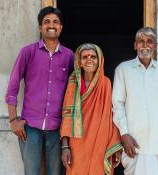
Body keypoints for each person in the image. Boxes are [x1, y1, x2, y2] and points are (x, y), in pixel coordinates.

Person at [5, 6, 74, 175]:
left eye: (56, 22)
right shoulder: (27, 52)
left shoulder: (70, 56)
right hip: (30, 127)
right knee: (31, 172)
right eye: (47, 22)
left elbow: (75, 92)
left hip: (57, 128)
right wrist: (13, 119)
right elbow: (12, 88)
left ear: (61, 27)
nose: (51, 25)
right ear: (40, 27)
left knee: (55, 172)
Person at [112, 27, 158, 175]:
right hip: (134, 143)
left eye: (149, 41)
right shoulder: (123, 70)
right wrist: (124, 134)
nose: (145, 45)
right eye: (141, 41)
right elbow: (117, 105)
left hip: (157, 143)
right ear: (135, 45)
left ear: (155, 46)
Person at [60, 43, 122, 175]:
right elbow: (67, 116)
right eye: (85, 57)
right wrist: (65, 146)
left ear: (99, 61)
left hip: (101, 141)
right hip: (77, 143)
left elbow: (112, 115)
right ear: (79, 62)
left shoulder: (106, 84)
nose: (89, 60)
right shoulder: (73, 83)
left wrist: (115, 143)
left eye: (93, 57)